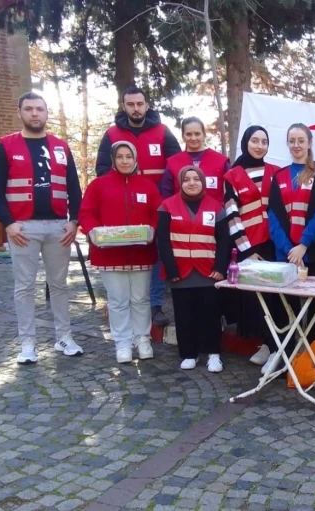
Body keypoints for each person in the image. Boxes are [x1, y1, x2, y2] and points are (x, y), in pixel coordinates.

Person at [0, 92, 83, 364]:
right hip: (22, 229)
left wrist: (74, 221)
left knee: (60, 285)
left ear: (46, 113)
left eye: (39, 109)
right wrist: (8, 223)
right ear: (20, 112)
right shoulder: (5, 146)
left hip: (58, 227)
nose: (34, 114)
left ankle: (64, 336)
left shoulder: (61, 147)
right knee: (24, 287)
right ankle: (28, 343)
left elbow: (74, 188)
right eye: (29, 109)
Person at [94, 85, 181, 327]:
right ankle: (122, 303)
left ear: (147, 105)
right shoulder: (112, 134)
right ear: (123, 106)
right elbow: (102, 170)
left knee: (154, 255)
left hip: (157, 207)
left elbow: (177, 167)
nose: (135, 108)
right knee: (124, 254)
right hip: (123, 208)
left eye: (139, 104)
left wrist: (170, 203)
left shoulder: (163, 132)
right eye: (130, 104)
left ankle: (153, 306)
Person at [79, 141, 161, 364]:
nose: (125, 161)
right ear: (113, 159)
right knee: (117, 301)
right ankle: (122, 342)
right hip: (109, 256)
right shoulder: (99, 186)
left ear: (136, 160)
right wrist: (92, 231)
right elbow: (86, 213)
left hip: (140, 254)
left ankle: (142, 338)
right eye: (120, 157)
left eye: (129, 157)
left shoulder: (147, 186)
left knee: (140, 299)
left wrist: (152, 229)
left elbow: (158, 212)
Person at [223, 125, 285, 373]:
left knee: (277, 298)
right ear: (246, 142)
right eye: (255, 141)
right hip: (252, 247)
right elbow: (232, 216)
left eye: (264, 141)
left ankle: (276, 347)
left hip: (276, 245)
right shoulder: (233, 176)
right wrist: (247, 252)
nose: (259, 146)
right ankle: (267, 344)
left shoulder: (276, 172)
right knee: (257, 301)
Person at [157, 165, 230, 372]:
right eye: (186, 179)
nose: (192, 183)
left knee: (211, 314)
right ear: (180, 183)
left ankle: (214, 354)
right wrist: (171, 270)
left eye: (196, 179)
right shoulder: (167, 206)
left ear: (203, 182)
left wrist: (220, 268)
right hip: (180, 273)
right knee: (184, 315)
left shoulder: (216, 207)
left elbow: (224, 240)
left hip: (209, 272)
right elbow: (162, 241)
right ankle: (189, 353)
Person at [269, 123, 315, 345]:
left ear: (310, 143)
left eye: (301, 141)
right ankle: (286, 350)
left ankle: (311, 349)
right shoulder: (279, 176)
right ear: (288, 143)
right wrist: (290, 250)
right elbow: (274, 216)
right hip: (286, 254)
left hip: (314, 251)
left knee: (313, 306)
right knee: (287, 305)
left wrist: (303, 245)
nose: (296, 145)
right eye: (292, 141)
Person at [160, 117, 230, 204]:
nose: (193, 138)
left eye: (197, 134)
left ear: (204, 135)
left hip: (215, 215)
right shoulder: (173, 162)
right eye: (189, 134)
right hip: (181, 215)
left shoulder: (221, 161)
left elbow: (230, 193)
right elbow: (166, 194)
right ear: (183, 136)